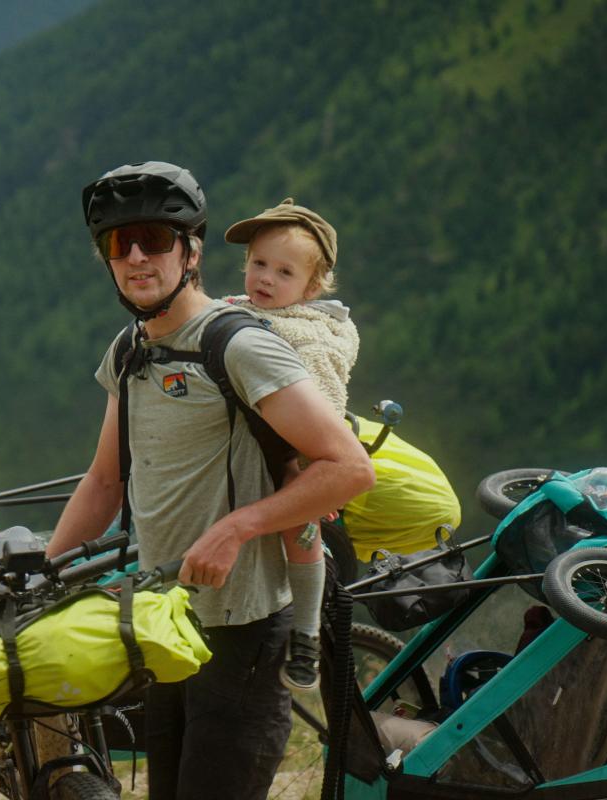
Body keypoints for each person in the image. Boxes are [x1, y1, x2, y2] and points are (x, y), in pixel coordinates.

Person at [46, 161, 374, 800]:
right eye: (120, 243)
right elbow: (105, 481)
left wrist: (238, 526)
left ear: (191, 250)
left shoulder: (240, 346)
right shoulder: (130, 350)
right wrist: (44, 576)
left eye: (156, 239)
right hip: (167, 621)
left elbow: (349, 468)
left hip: (245, 630)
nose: (138, 256)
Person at [221, 198, 359, 692]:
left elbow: (326, 395)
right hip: (253, 440)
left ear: (311, 287)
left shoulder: (312, 334)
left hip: (301, 448)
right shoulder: (237, 314)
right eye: (258, 264)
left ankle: (305, 634)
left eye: (284, 272)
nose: (265, 279)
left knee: (298, 527)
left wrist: (315, 466)